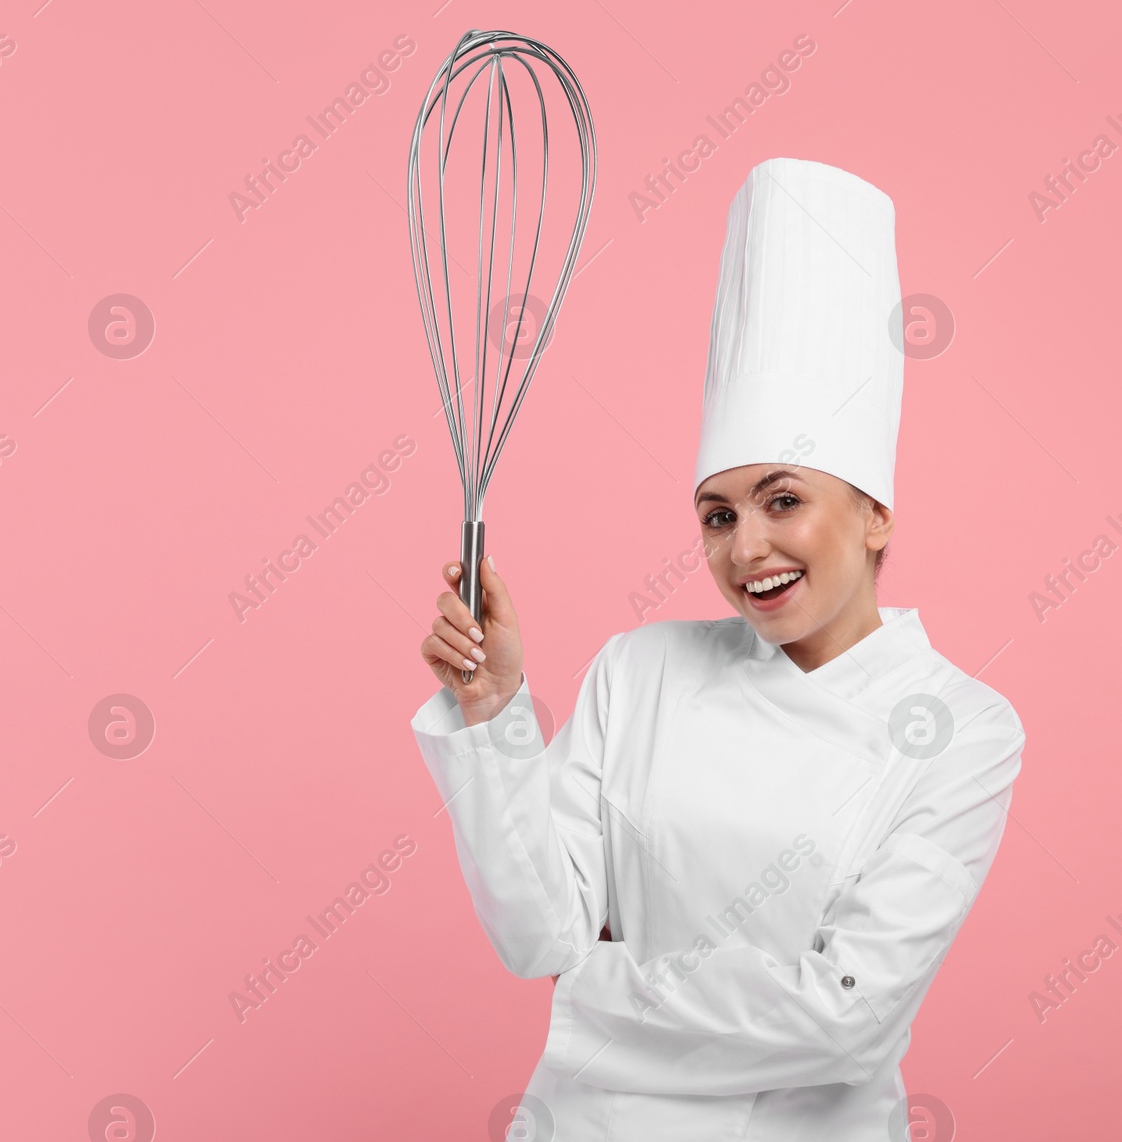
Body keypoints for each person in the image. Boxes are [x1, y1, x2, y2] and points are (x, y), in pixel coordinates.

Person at [411, 158, 1025, 1140]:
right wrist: (493, 714)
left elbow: (845, 1019)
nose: (745, 549)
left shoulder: (960, 728)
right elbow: (539, 934)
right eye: (716, 512)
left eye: (783, 498)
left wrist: (598, 987)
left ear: (872, 513)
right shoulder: (637, 670)